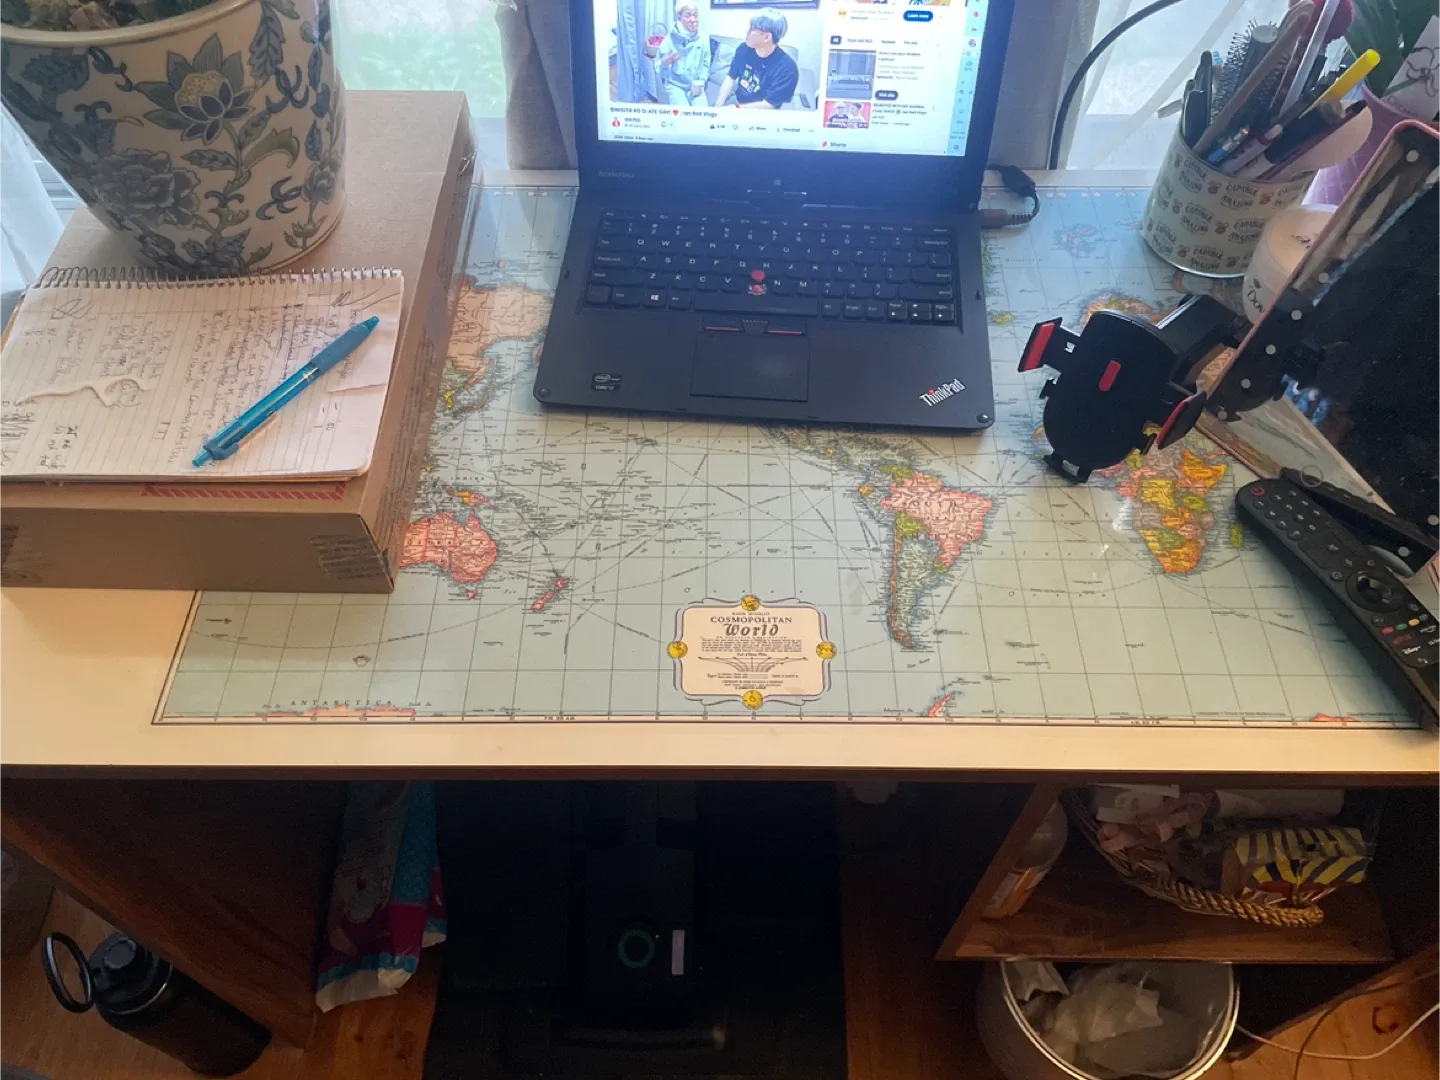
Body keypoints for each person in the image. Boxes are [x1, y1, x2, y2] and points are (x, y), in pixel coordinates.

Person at [715, 8, 800, 109]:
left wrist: (735, 109)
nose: (747, 31)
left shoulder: (787, 68)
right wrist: (719, 104)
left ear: (767, 37)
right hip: (739, 102)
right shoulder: (743, 49)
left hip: (764, 113)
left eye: (753, 29)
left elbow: (769, 104)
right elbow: (731, 77)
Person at [653, 1, 710, 106]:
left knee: (703, 113)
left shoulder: (704, 38)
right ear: (679, 17)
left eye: (695, 15)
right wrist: (664, 63)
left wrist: (701, 81)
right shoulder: (670, 39)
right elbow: (658, 68)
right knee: (682, 114)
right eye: (688, 15)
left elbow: (706, 64)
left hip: (695, 84)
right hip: (675, 85)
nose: (693, 20)